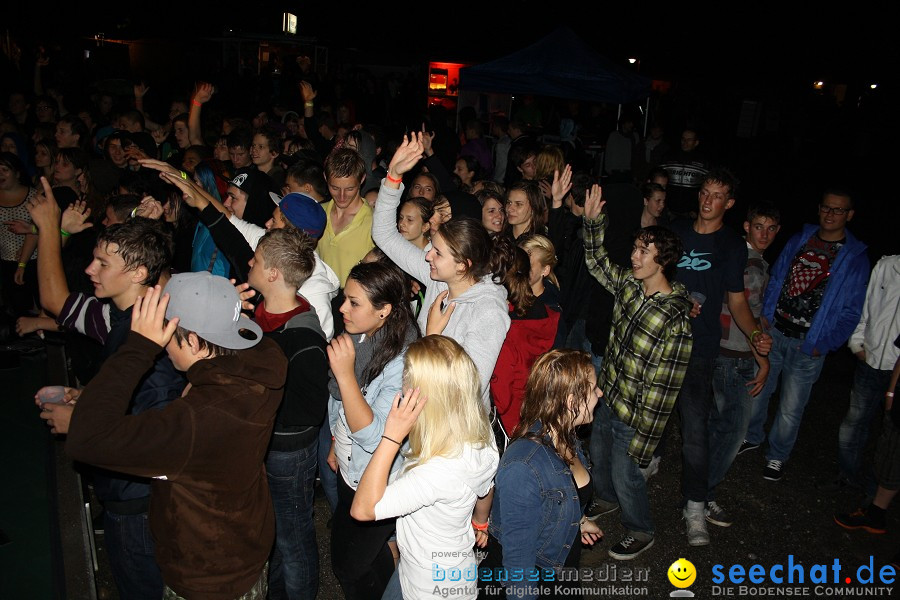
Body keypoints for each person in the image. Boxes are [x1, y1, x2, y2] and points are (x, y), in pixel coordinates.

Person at [63, 274, 287, 599]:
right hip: (246, 544)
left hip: (207, 575)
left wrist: (138, 348)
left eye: (166, 338)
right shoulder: (264, 362)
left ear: (194, 342)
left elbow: (87, 438)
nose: (162, 348)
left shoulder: (198, 419)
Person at [29, 181, 183, 600]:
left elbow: (157, 431)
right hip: (127, 493)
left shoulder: (151, 337)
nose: (89, 270)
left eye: (101, 263)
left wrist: (83, 419)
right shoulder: (117, 317)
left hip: (138, 499)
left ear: (137, 274)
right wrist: (90, 398)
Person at [580, 183, 693, 560]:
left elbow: (665, 389)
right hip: (609, 397)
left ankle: (641, 529)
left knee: (628, 473)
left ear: (663, 261)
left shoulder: (675, 316)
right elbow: (597, 263)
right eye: (635, 247)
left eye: (645, 251)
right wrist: (593, 222)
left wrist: (646, 440)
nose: (634, 255)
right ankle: (606, 499)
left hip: (637, 415)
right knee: (599, 455)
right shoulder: (630, 284)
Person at [667, 168, 772, 545]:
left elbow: (738, 301)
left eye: (716, 196)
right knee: (635, 418)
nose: (707, 201)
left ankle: (695, 507)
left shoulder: (730, 245)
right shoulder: (676, 231)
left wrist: (757, 336)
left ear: (728, 203)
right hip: (662, 342)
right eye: (704, 193)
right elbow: (649, 275)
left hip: (699, 348)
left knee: (696, 431)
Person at [350, 335, 499, 600]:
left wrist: (391, 437)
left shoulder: (433, 473)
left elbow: (362, 510)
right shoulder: (480, 433)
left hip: (425, 588)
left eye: (407, 377)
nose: (402, 384)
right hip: (447, 571)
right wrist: (480, 522)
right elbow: (485, 489)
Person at [372, 133, 511, 411]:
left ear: (463, 264)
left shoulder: (488, 311)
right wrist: (394, 178)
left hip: (456, 432)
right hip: (421, 408)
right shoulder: (438, 279)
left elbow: (468, 390)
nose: (428, 257)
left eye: (437, 252)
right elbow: (384, 236)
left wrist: (433, 338)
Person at [744, 188, 869, 482]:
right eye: (827, 208)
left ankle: (776, 456)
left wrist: (824, 344)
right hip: (776, 331)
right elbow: (777, 276)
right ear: (819, 209)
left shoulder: (854, 256)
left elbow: (852, 310)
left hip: (808, 343)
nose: (831, 214)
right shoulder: (802, 239)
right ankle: (751, 436)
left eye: (838, 210)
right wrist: (766, 315)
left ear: (849, 215)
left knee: (791, 405)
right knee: (759, 390)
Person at [326, 261, 420, 600]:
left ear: (384, 311)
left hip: (376, 478)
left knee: (349, 567)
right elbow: (339, 401)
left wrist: (346, 374)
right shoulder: (361, 332)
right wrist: (337, 441)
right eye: (344, 299)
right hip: (351, 466)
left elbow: (378, 436)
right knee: (360, 557)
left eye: (353, 302)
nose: (342, 308)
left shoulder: (403, 361)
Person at [479, 349, 603, 600]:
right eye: (593, 389)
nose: (599, 393)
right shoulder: (524, 467)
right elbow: (518, 570)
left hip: (560, 572)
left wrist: (577, 520)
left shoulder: (566, 436)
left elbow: (564, 491)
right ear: (571, 402)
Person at [247, 228, 328, 599]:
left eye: (256, 260)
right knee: (276, 532)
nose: (249, 263)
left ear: (273, 274)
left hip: (287, 451)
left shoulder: (303, 336)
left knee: (293, 538)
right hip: (263, 443)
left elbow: (308, 411)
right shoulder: (256, 312)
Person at [707, 203, 780, 506]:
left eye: (772, 228)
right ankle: (701, 494)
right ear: (747, 227)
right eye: (759, 226)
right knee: (734, 432)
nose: (765, 233)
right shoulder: (749, 263)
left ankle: (698, 487)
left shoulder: (737, 254)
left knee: (715, 423)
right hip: (735, 354)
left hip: (719, 349)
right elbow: (743, 312)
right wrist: (762, 360)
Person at [826, 254, 900, 492]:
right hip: (870, 360)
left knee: (892, 434)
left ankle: (878, 493)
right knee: (854, 423)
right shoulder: (887, 266)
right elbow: (866, 307)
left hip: (897, 369)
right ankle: (847, 476)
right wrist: (858, 345)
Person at [490, 237, 561, 441]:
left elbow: (501, 395)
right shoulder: (549, 314)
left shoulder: (506, 323)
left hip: (510, 417)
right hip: (534, 413)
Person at [316, 148, 374, 287]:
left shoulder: (374, 222)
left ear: (362, 179)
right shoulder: (317, 213)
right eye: (335, 188)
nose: (341, 196)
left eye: (349, 189)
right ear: (325, 178)